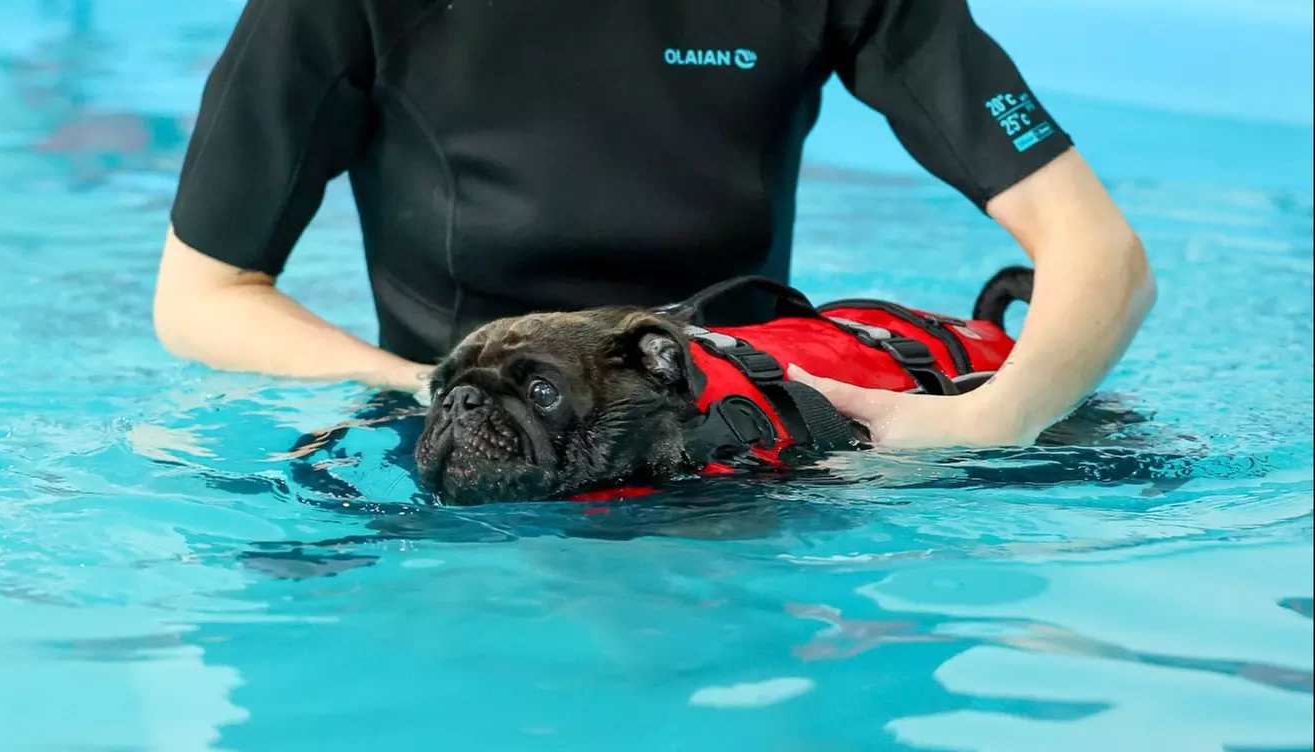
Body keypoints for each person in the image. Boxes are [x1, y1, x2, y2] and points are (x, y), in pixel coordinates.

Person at [153, 0, 1155, 449]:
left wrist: (991, 420)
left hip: (731, 458)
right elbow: (202, 298)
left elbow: (1100, 252)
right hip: (446, 462)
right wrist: (424, 391)